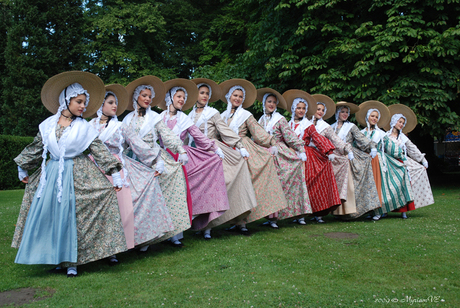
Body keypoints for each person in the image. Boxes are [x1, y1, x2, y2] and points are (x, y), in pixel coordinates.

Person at [12, 71, 127, 277]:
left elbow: (98, 150)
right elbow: (38, 147)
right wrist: (23, 166)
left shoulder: (84, 127)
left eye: (84, 102)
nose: (83, 106)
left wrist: (115, 174)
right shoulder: (48, 125)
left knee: (74, 215)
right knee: (54, 215)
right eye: (79, 101)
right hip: (53, 172)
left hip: (78, 171)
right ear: (67, 100)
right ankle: (57, 257)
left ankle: (73, 261)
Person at [89, 84, 173, 254]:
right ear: (101, 105)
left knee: (124, 205)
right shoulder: (89, 126)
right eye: (111, 102)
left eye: (116, 103)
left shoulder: (121, 126)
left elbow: (137, 144)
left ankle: (121, 246)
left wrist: (157, 160)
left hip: (119, 167)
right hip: (95, 167)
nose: (115, 106)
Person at [122, 76, 190, 248]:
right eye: (144, 95)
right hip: (134, 160)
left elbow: (166, 135)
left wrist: (180, 149)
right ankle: (142, 237)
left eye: (149, 96)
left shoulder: (154, 117)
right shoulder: (127, 119)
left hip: (154, 158)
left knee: (169, 186)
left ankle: (173, 233)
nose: (147, 99)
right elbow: (122, 142)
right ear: (136, 96)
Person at [158, 78, 229, 240]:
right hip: (161, 157)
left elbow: (198, 136)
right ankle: (156, 233)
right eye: (179, 97)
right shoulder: (159, 117)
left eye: (183, 97)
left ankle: (176, 234)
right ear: (170, 98)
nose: (182, 100)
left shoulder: (184, 118)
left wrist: (214, 148)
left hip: (180, 159)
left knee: (178, 194)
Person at [187, 78, 257, 239]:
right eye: (201, 92)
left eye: (207, 93)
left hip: (211, 154)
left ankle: (208, 227)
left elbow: (224, 131)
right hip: (194, 154)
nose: (204, 96)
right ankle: (192, 222)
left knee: (214, 188)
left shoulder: (213, 113)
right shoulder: (189, 115)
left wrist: (240, 146)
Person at [220, 79, 288, 233]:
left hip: (243, 150)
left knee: (243, 185)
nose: (237, 98)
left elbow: (257, 131)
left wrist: (272, 142)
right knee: (228, 184)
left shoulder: (245, 115)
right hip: (226, 151)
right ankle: (233, 219)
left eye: (240, 97)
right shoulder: (222, 116)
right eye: (235, 95)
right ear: (229, 96)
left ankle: (243, 222)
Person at [283, 90, 340, 223]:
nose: (301, 110)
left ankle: (304, 213)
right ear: (293, 109)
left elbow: (318, 138)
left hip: (306, 155)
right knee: (291, 184)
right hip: (290, 154)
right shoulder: (287, 123)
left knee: (306, 184)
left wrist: (328, 151)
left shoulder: (308, 125)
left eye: (303, 108)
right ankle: (293, 212)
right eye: (298, 108)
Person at [257, 88, 311, 227]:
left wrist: (300, 149)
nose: (271, 104)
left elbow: (289, 135)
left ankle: (282, 215)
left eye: (274, 102)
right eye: (269, 101)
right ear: (264, 103)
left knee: (279, 183)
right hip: (264, 152)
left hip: (278, 153)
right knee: (266, 185)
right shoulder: (261, 119)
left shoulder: (279, 119)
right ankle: (268, 216)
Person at [356, 100, 414, 220]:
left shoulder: (381, 134)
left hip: (377, 161)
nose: (374, 118)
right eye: (372, 116)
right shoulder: (361, 133)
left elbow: (391, 147)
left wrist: (403, 158)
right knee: (366, 186)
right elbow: (355, 145)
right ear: (367, 117)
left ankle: (378, 211)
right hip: (363, 161)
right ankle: (368, 210)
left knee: (377, 186)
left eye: (376, 117)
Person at [330, 101, 381, 219]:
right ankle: (337, 212)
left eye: (347, 112)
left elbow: (361, 139)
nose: (345, 114)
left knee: (349, 183)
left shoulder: (351, 126)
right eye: (342, 112)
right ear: (337, 113)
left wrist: (372, 146)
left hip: (349, 155)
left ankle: (351, 211)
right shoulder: (331, 127)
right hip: (334, 157)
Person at [310, 94, 355, 222]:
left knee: (319, 186)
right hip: (305, 155)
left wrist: (347, 149)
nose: (320, 112)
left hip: (319, 158)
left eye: (322, 110)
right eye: (318, 109)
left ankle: (318, 214)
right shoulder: (305, 123)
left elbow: (336, 141)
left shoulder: (325, 127)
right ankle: (303, 213)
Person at [384, 104, 434, 218]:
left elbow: (412, 148)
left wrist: (422, 159)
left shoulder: (403, 138)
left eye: (402, 123)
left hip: (401, 163)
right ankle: (386, 209)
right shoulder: (385, 136)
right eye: (399, 122)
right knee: (388, 187)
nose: (401, 124)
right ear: (394, 121)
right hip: (389, 163)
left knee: (403, 186)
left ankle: (403, 210)